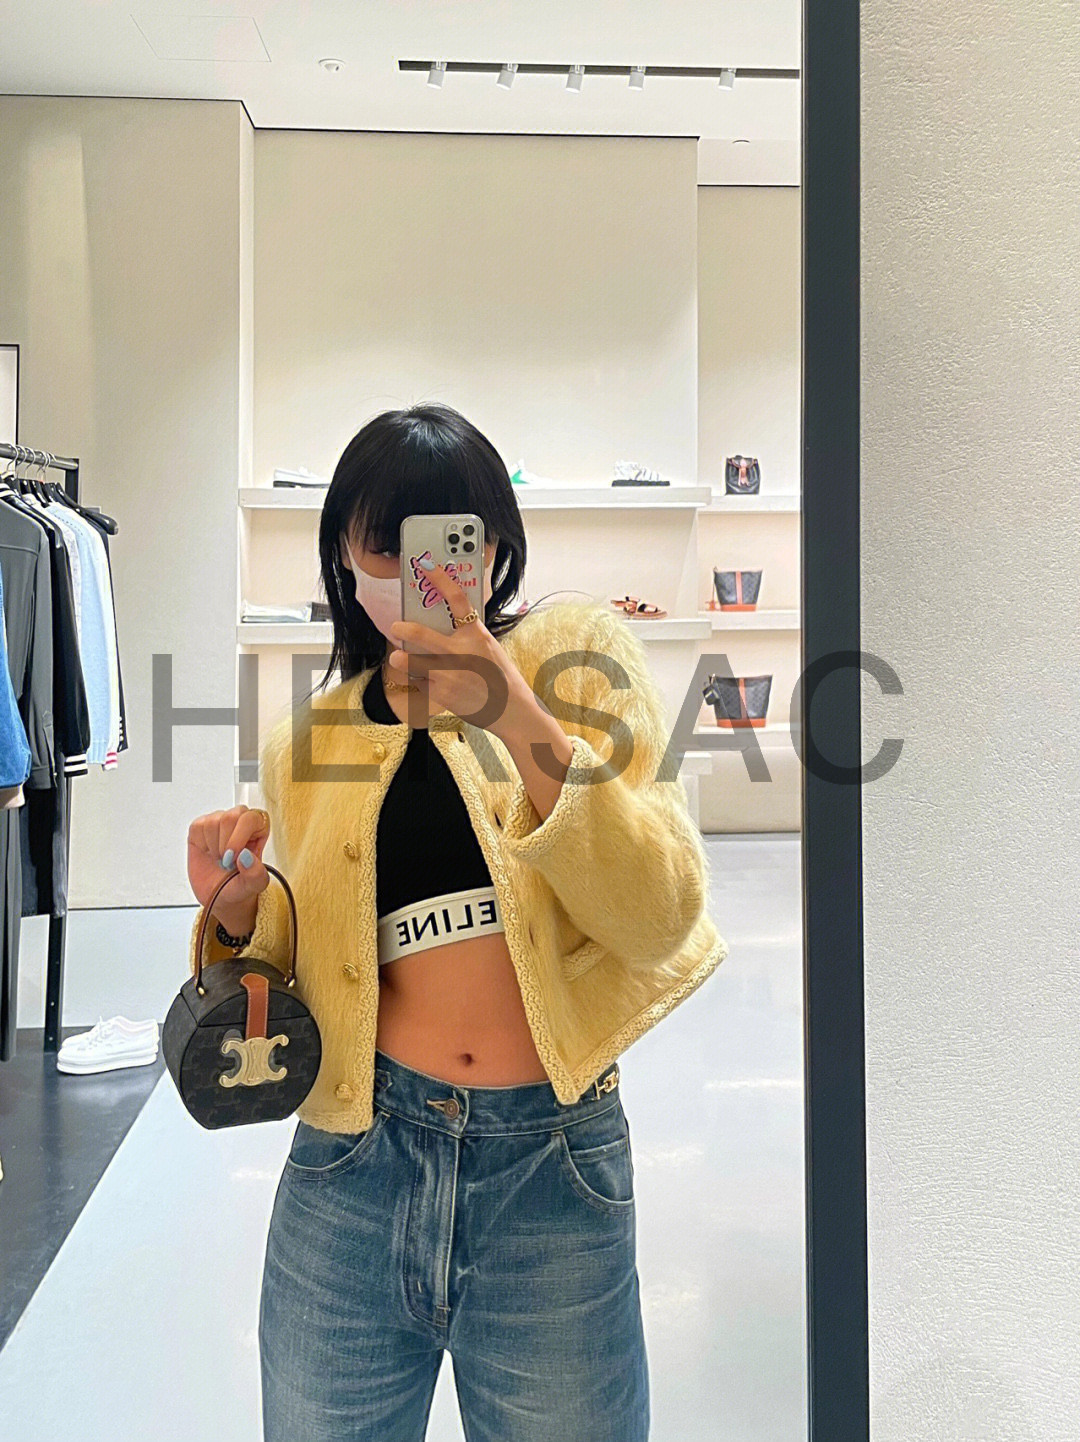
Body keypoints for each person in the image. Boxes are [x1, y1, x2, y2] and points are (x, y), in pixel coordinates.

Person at [186, 403, 728, 1441]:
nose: (414, 568)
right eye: (384, 543)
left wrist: (510, 706)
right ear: (345, 556)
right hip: (352, 1166)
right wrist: (237, 913)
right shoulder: (309, 739)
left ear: (492, 542)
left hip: (550, 1167)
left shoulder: (575, 656)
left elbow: (661, 912)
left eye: (443, 536)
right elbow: (293, 983)